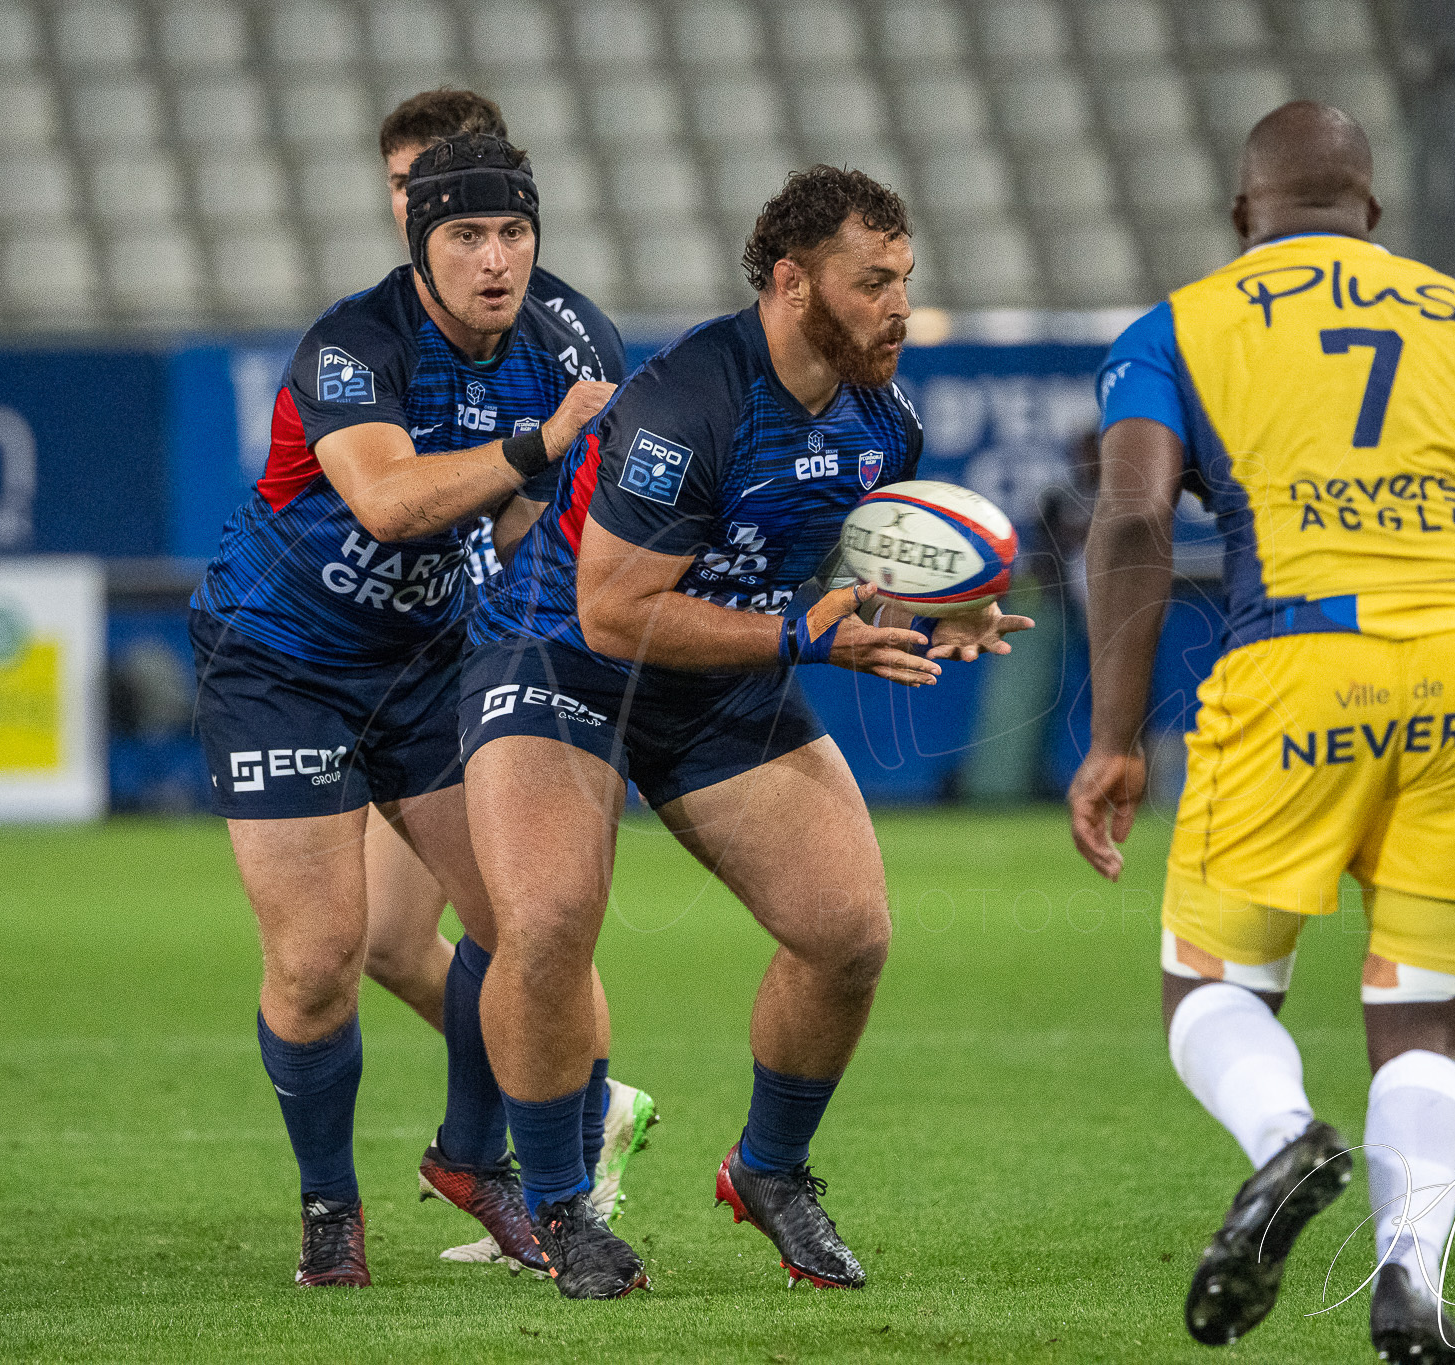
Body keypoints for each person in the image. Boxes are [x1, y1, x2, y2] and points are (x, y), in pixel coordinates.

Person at [1067, 102, 1455, 1363]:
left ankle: (1282, 1142)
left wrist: (1110, 740)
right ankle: (1407, 1278)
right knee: (1423, 1025)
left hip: (1298, 658)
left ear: (1243, 212)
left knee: (1209, 985)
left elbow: (1134, 522)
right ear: (1370, 211)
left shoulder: (1177, 328)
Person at [457, 166, 1032, 1298]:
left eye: (904, 280)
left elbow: (838, 562)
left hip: (717, 676)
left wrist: (926, 606)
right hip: (557, 660)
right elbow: (612, 610)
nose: (898, 307)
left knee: (846, 931)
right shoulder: (685, 406)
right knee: (549, 920)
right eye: (872, 282)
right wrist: (801, 636)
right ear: (789, 282)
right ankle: (566, 1211)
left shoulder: (885, 420)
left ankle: (768, 1172)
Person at [189, 131, 617, 1286]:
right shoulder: (353, 345)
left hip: (431, 661)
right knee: (322, 958)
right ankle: (330, 1206)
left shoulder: (569, 349)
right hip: (279, 660)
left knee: (530, 930)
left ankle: (476, 1162)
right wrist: (538, 443)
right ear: (417, 244)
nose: (495, 260)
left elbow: (534, 528)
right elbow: (383, 502)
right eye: (465, 236)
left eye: (514, 233)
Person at [361, 88, 656, 1267]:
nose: (415, 204)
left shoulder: (566, 340)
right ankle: (581, 1107)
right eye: (400, 187)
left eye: (428, 181)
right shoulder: (390, 331)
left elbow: (573, 521)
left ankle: (538, 1156)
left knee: (517, 924)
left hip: (510, 666)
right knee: (389, 941)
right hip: (418, 663)